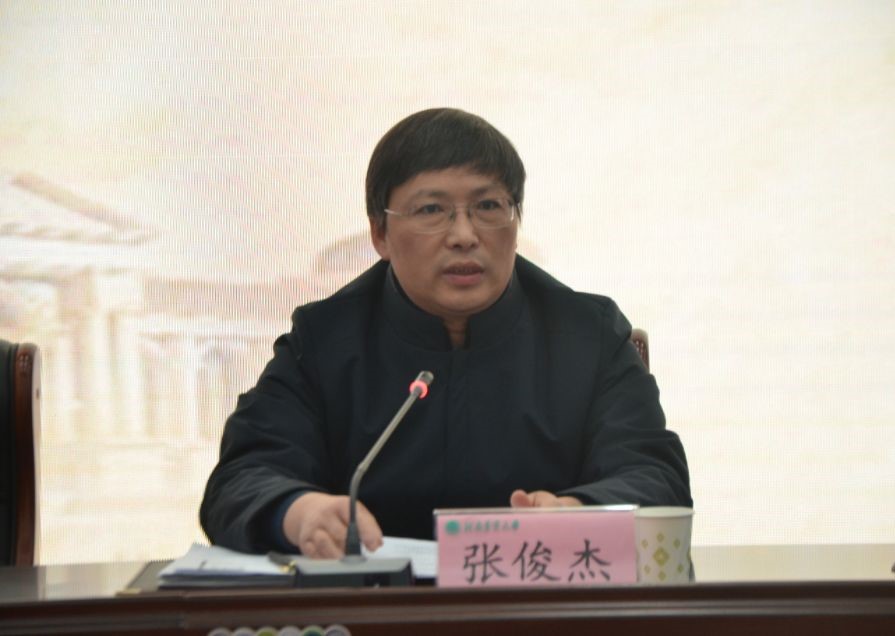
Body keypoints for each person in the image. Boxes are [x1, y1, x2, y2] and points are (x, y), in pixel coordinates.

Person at [200, 108, 692, 558]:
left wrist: (578, 512)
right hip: (376, 607)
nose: (464, 235)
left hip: (536, 603)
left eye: (488, 206)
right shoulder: (325, 340)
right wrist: (298, 511)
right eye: (431, 210)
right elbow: (242, 478)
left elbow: (654, 476)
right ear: (379, 234)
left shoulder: (587, 335)